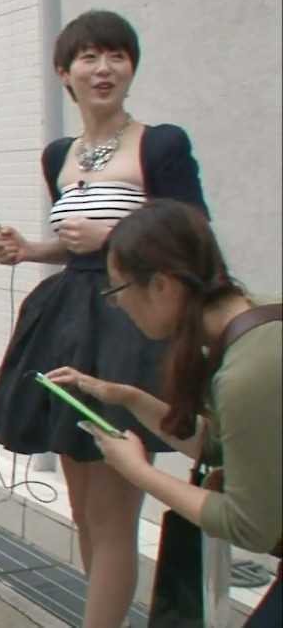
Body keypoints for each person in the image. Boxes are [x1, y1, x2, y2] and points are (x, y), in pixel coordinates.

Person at [0, 10, 209, 628]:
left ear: (132, 67)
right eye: (88, 57)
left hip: (128, 331)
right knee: (85, 511)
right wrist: (32, 248)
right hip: (67, 325)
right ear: (65, 72)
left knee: (113, 517)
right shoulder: (60, 154)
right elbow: (76, 247)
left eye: (116, 56)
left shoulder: (160, 144)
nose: (103, 69)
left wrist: (110, 235)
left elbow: (191, 235)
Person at [47, 199, 281, 628]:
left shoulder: (248, 372)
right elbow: (215, 444)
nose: (118, 305)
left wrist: (137, 471)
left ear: (161, 286)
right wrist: (130, 399)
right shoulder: (253, 314)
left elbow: (249, 526)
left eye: (117, 291)